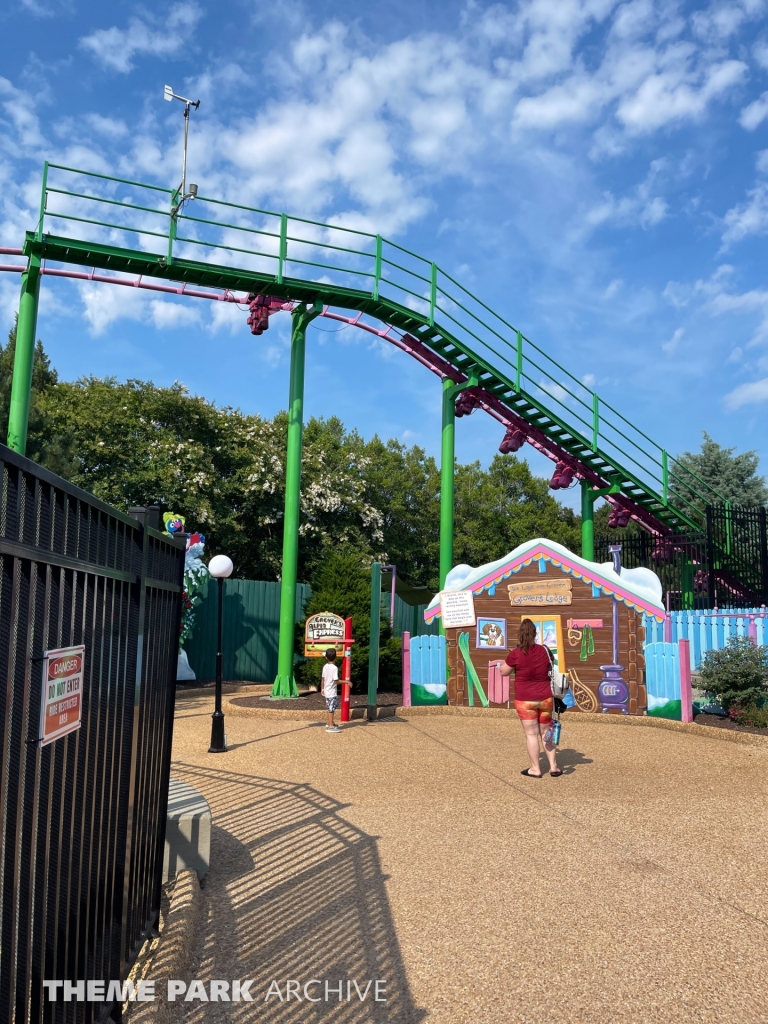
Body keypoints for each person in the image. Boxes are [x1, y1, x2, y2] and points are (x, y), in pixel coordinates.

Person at [499, 618, 561, 777]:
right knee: (547, 731)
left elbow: (503, 672)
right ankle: (554, 766)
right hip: (545, 697)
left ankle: (536, 768)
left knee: (532, 734)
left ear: (520, 635)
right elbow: (550, 665)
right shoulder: (544, 650)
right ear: (535, 634)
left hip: (525, 699)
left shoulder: (515, 654)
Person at [322, 648, 341, 733]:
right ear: (336, 657)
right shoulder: (334, 668)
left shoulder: (325, 666)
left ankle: (331, 722)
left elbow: (323, 678)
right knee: (331, 709)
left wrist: (322, 688)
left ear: (326, 657)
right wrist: (346, 682)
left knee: (332, 707)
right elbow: (336, 680)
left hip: (327, 690)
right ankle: (330, 726)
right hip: (331, 692)